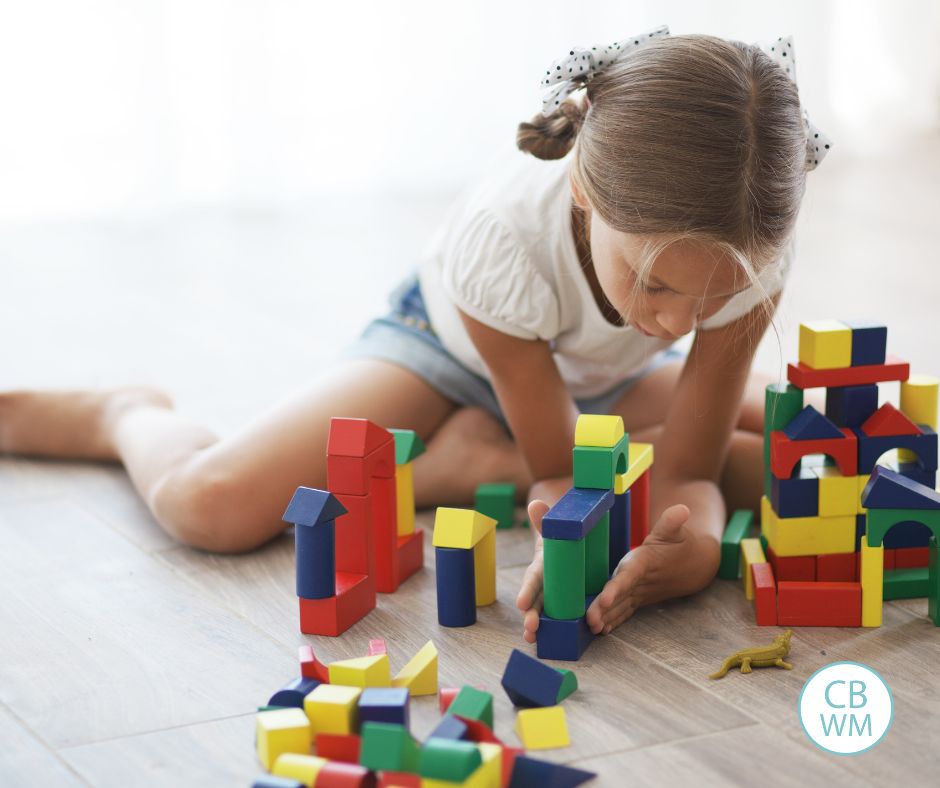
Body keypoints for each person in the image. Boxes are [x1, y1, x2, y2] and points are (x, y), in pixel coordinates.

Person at [0, 29, 828, 644]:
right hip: (449, 346)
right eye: (652, 283)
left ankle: (469, 458)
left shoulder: (748, 241)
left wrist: (682, 553)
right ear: (582, 190)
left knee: (794, 453)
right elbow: (558, 473)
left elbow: (686, 473)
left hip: (591, 376)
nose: (678, 323)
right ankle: (119, 411)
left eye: (708, 297)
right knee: (208, 506)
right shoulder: (502, 237)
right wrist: (586, 515)